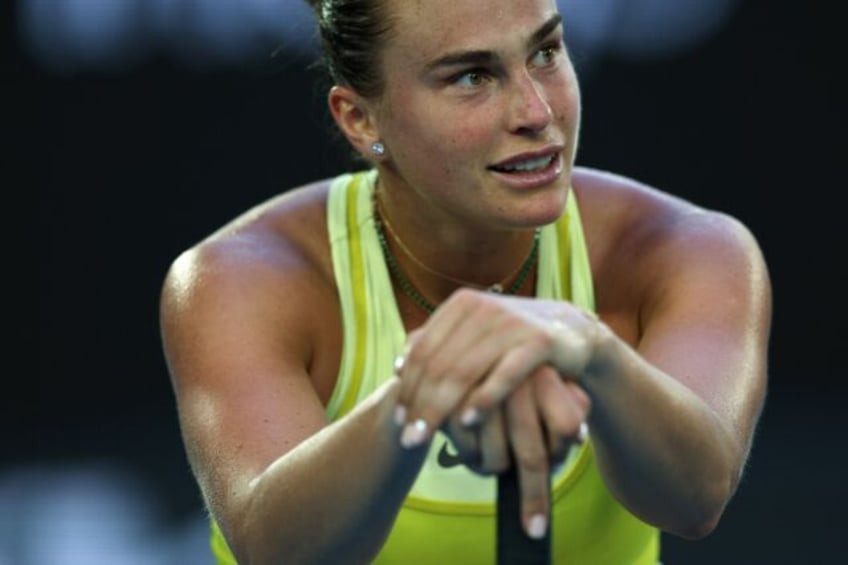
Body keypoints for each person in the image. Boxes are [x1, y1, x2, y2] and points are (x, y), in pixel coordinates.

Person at [158, 0, 772, 562]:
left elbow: (695, 499)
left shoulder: (685, 248)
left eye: (546, 52)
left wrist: (587, 347)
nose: (537, 111)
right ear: (360, 119)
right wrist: (428, 386)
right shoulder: (238, 279)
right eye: (471, 76)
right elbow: (277, 551)